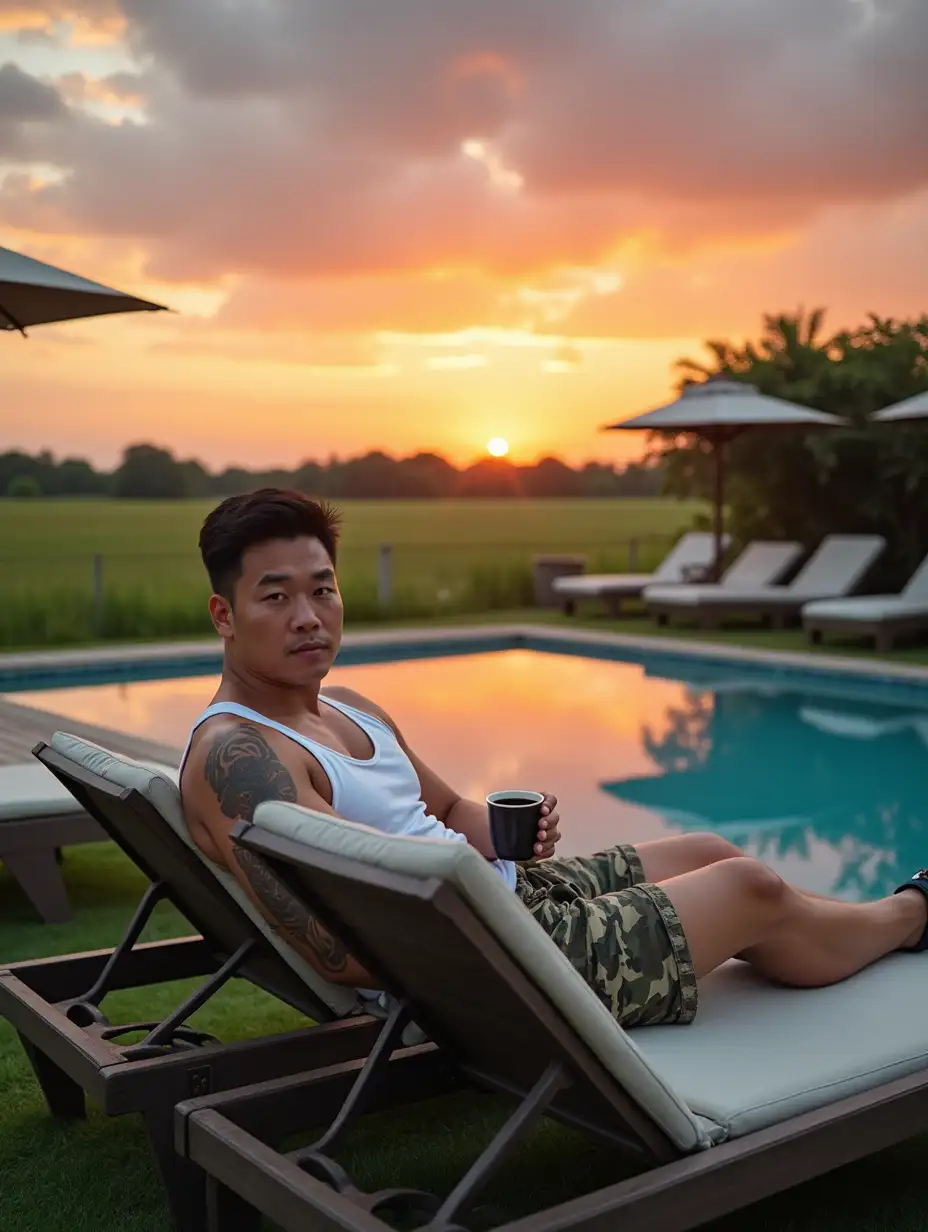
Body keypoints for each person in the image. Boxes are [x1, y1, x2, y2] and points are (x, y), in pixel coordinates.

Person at [179, 488, 928, 1029]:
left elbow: (447, 814)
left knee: (708, 848)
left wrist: (510, 831)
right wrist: (494, 945)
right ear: (225, 615)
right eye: (275, 598)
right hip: (491, 964)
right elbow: (340, 942)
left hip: (511, 899)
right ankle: (909, 913)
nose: (309, 618)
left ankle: (862, 925)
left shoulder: (348, 709)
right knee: (748, 888)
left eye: (323, 591)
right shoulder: (240, 756)